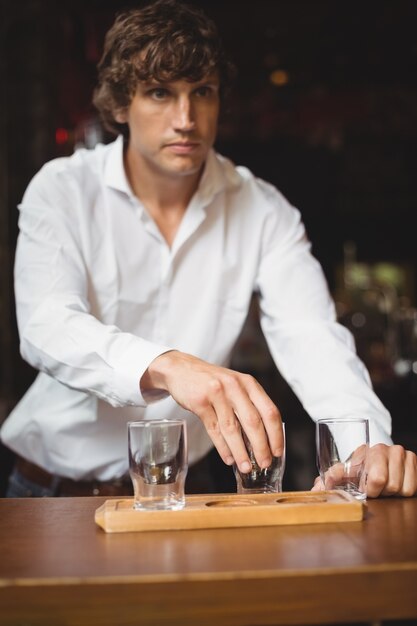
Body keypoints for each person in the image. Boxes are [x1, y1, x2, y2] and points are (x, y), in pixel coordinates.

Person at [2, 0, 416, 498]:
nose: (186, 118)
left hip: (181, 491)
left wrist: (365, 449)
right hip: (49, 493)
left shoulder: (264, 209)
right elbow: (46, 324)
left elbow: (314, 339)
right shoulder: (63, 189)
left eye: (202, 92)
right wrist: (169, 365)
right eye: (160, 92)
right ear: (120, 106)